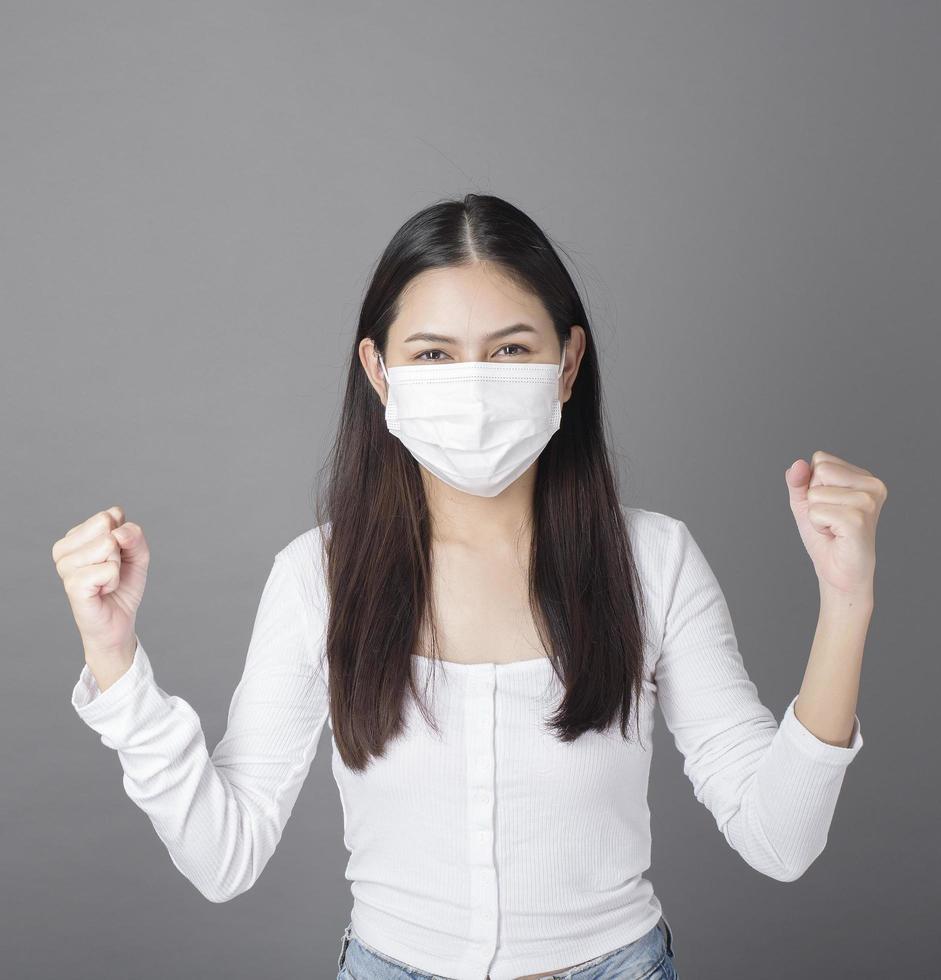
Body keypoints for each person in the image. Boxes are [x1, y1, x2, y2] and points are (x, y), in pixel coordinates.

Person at [51, 194, 884, 980]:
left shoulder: (652, 562)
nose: (475, 384)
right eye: (434, 355)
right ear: (380, 372)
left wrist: (846, 603)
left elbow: (781, 839)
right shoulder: (318, 577)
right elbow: (222, 855)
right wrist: (115, 660)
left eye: (512, 349)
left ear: (568, 363)